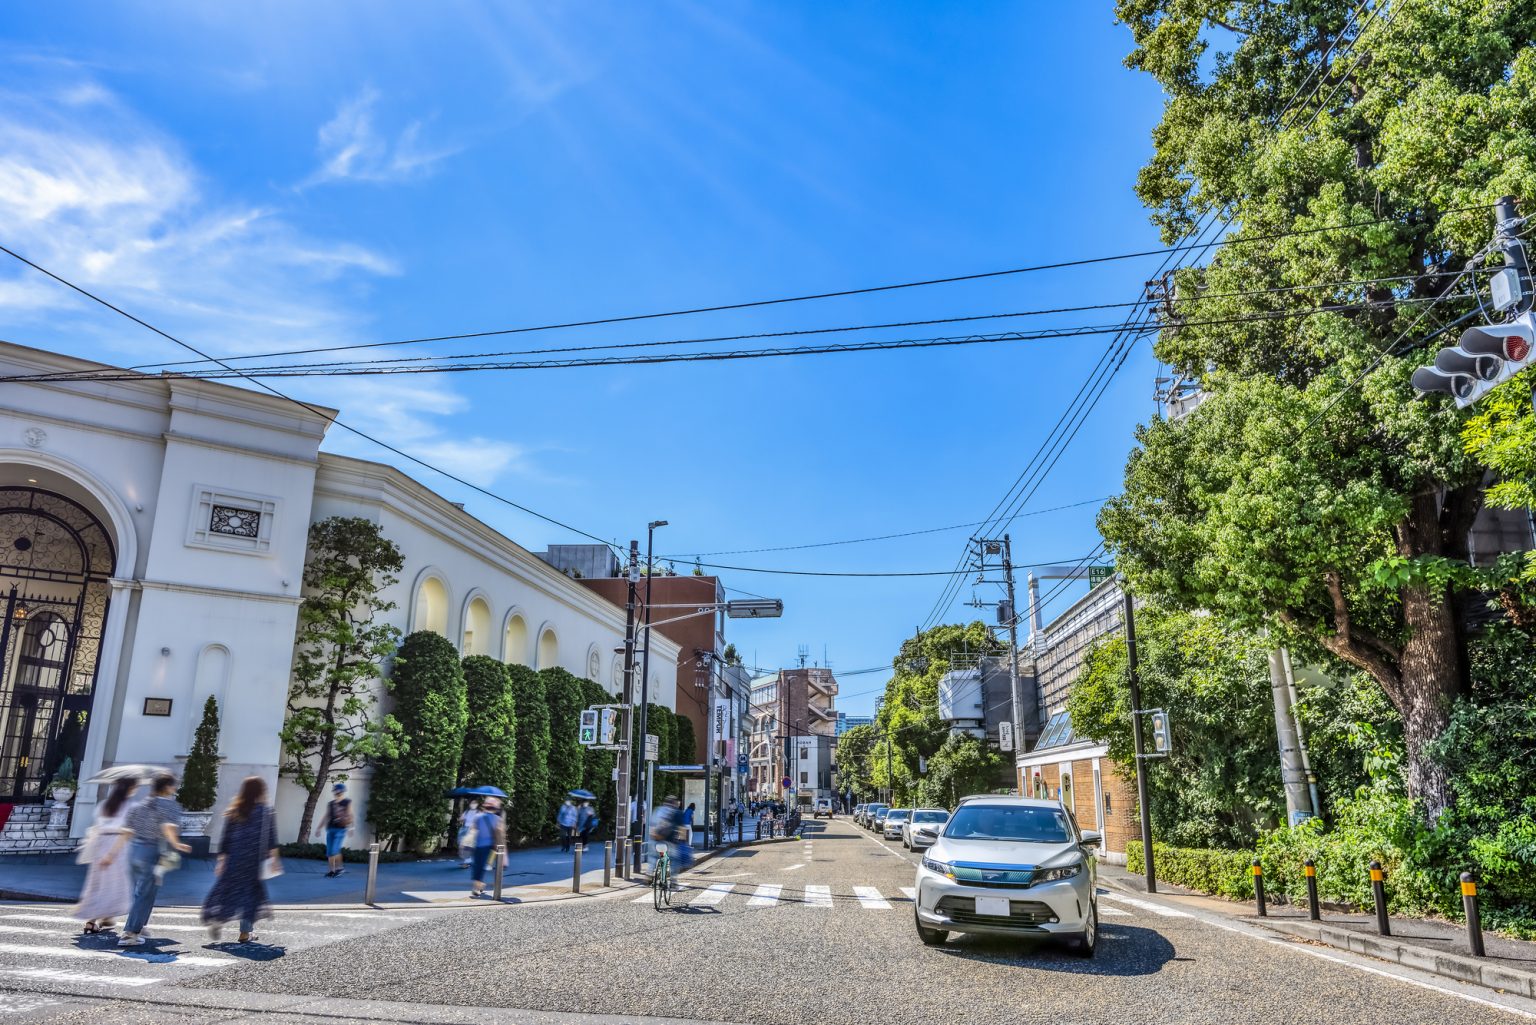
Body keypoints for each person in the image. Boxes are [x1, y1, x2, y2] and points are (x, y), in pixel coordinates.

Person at [202, 776, 279, 944]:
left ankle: (217, 919)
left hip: (235, 859)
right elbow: (271, 839)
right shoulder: (266, 811)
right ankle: (245, 933)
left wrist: (222, 861)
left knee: (228, 892)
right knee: (250, 896)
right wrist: (274, 859)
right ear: (261, 791)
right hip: (253, 861)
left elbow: (226, 838)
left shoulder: (235, 810)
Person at [119, 771, 191, 947]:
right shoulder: (170, 806)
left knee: (146, 890)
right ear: (166, 787)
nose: (175, 788)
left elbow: (126, 830)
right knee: (145, 892)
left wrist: (113, 853)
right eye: (174, 785)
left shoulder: (140, 804)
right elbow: (167, 827)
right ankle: (129, 933)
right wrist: (177, 844)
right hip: (153, 850)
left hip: (135, 849)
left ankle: (140, 925)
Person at [72, 778, 137, 935]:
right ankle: (94, 919)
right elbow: (128, 831)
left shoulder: (105, 805)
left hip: (100, 843)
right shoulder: (131, 807)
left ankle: (101, 918)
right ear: (130, 789)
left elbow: (98, 825)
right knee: (112, 885)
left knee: (97, 883)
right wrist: (112, 853)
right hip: (117, 845)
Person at [468, 797, 506, 898]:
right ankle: (479, 886)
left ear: (485, 806)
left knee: (477, 866)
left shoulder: (478, 817)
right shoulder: (498, 819)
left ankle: (477, 887)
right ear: (495, 808)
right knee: (483, 866)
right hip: (490, 847)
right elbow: (501, 836)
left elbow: (472, 829)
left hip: (477, 845)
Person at [313, 781, 352, 877]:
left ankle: (340, 868)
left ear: (342, 792)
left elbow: (351, 815)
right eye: (335, 791)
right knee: (330, 851)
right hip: (330, 829)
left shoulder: (347, 802)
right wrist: (319, 828)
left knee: (335, 849)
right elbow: (326, 816)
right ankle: (332, 871)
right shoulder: (331, 804)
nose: (337, 793)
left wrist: (351, 828)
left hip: (341, 829)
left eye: (338, 792)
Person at [649, 796, 693, 877]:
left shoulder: (657, 810)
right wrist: (683, 842)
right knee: (674, 859)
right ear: (675, 803)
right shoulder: (677, 812)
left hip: (656, 840)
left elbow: (652, 827)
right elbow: (682, 829)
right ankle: (673, 880)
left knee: (653, 856)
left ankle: (650, 872)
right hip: (669, 842)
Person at [457, 799, 481, 868]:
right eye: (472, 803)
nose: (473, 804)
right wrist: (461, 818)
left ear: (477, 804)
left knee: (468, 846)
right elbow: (460, 820)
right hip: (465, 829)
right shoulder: (466, 812)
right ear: (470, 804)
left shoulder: (478, 812)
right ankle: (468, 860)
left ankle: (467, 861)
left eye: (475, 803)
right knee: (461, 844)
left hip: (472, 830)